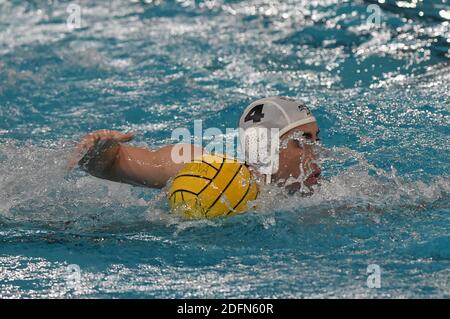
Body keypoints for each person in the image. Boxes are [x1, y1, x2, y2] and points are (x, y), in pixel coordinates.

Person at [67, 96, 321, 193]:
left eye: (317, 140)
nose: (317, 154)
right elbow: (109, 164)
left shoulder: (326, 195)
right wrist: (99, 148)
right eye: (303, 142)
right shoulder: (201, 171)